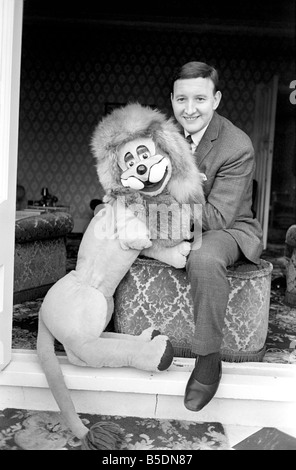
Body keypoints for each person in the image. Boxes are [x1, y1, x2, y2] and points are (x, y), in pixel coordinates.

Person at [168, 61, 263, 411]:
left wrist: (158, 217)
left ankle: (208, 359)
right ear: (172, 99)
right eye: (181, 99)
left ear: (216, 99)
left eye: (200, 99)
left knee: (204, 257)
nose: (189, 109)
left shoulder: (236, 145)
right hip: (177, 220)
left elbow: (217, 216)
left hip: (228, 229)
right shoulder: (163, 137)